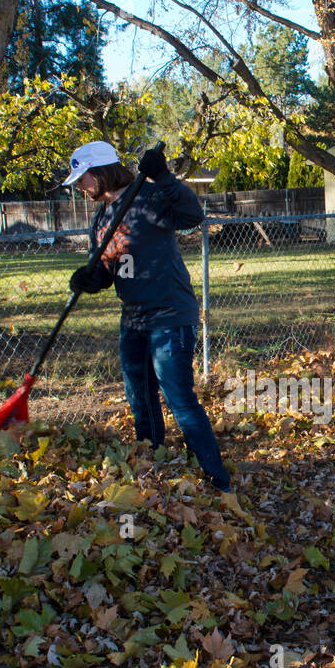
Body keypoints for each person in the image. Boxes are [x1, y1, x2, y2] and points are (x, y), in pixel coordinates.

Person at [65, 140, 230, 492]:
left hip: (170, 314)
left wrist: (165, 178)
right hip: (134, 319)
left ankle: (217, 479)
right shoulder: (102, 217)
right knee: (139, 396)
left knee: (178, 397)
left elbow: (191, 215)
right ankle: (154, 465)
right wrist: (91, 279)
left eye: (84, 178)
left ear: (103, 171)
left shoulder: (148, 198)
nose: (80, 187)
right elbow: (110, 269)